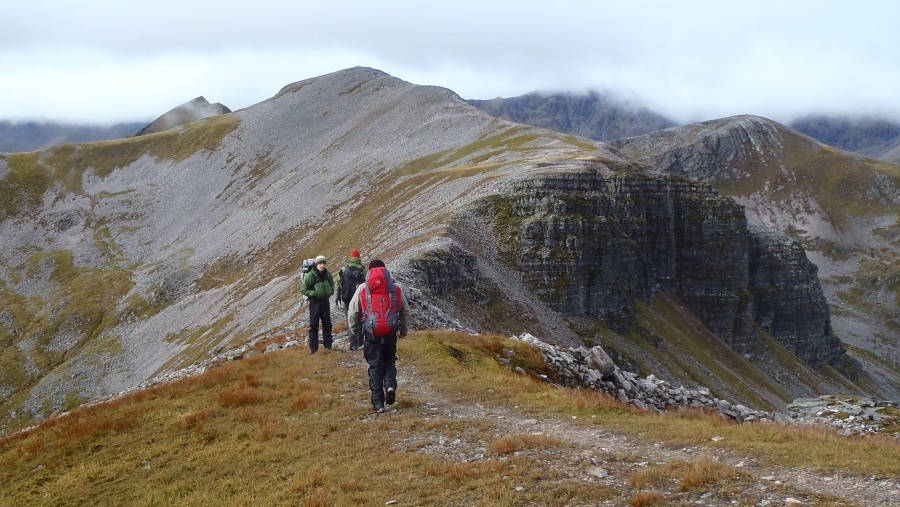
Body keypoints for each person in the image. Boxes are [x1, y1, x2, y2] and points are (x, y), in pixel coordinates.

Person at [347, 259, 409, 413]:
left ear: (369, 271)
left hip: (371, 333)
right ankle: (390, 386)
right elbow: (405, 311)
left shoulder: (363, 288)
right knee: (389, 360)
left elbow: (353, 311)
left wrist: (355, 331)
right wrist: (403, 330)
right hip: (390, 331)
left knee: (375, 366)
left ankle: (378, 404)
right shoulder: (394, 289)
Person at [301, 255, 334, 354]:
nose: (322, 265)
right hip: (315, 303)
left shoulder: (328, 274)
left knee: (327, 323)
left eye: (324, 263)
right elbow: (303, 289)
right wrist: (314, 294)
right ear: (316, 264)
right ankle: (313, 348)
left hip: (325, 302)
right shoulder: (310, 276)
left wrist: (331, 291)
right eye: (320, 263)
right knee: (314, 324)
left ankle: (328, 346)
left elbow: (332, 283)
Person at [335, 249, 368, 350]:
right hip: (360, 298)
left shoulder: (344, 269)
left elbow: (338, 284)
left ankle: (352, 343)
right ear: (358, 257)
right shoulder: (363, 269)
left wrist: (337, 298)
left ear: (351, 257)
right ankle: (360, 341)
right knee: (361, 318)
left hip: (347, 298)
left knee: (350, 318)